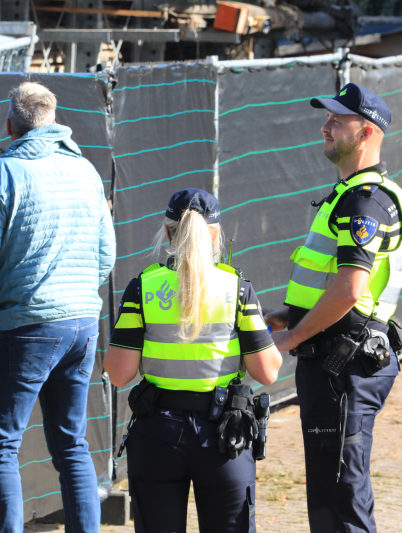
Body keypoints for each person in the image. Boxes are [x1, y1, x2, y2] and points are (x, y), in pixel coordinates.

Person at [0, 82, 116, 533]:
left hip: (28, 327)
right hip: (83, 324)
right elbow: (106, 254)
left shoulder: (0, 173)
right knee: (72, 444)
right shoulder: (86, 170)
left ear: (9, 124)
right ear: (54, 120)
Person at [265, 83, 402, 533]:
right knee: (333, 490)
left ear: (366, 132)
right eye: (327, 118)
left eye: (336, 121)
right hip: (336, 360)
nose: (324, 127)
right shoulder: (351, 193)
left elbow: (351, 291)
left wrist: (290, 337)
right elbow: (337, 287)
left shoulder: (364, 201)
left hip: (343, 363)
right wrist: (291, 316)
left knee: (342, 493)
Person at [104, 188, 283, 533]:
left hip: (158, 434)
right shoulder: (237, 290)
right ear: (216, 234)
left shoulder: (141, 288)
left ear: (168, 231)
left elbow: (119, 373)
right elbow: (268, 370)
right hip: (223, 437)